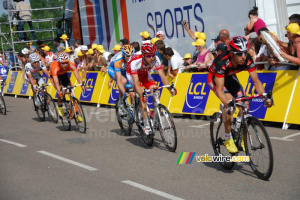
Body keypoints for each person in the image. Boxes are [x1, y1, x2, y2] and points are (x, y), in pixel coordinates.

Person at [207, 36, 272, 153]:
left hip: (231, 77)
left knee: (245, 104)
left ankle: (240, 132)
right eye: (239, 53)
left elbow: (256, 81)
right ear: (231, 53)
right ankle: (228, 138)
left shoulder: (247, 59)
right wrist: (228, 104)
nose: (243, 56)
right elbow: (220, 89)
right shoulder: (222, 61)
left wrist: (264, 97)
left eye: (244, 52)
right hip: (215, 80)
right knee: (229, 109)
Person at [126, 43, 176, 135]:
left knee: (155, 91)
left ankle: (153, 114)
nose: (152, 58)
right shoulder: (135, 62)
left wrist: (170, 89)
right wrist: (142, 94)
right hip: (133, 75)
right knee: (143, 97)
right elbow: (136, 83)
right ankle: (146, 124)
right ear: (144, 55)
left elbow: (162, 76)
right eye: (149, 56)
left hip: (145, 74)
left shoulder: (155, 59)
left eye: (153, 55)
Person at [50, 53, 85, 119]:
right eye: (63, 63)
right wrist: (59, 91)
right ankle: (59, 105)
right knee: (60, 91)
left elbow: (77, 76)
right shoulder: (55, 66)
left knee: (71, 91)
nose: (65, 65)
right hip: (55, 77)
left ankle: (75, 112)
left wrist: (81, 85)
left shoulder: (71, 64)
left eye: (66, 63)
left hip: (64, 75)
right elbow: (56, 82)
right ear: (59, 63)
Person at [108, 45, 135, 115]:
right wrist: (124, 92)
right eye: (127, 56)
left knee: (133, 90)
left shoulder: (134, 57)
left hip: (124, 70)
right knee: (123, 81)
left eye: (131, 56)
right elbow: (119, 80)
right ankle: (120, 103)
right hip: (113, 70)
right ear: (123, 55)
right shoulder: (118, 60)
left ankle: (134, 108)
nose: (129, 58)